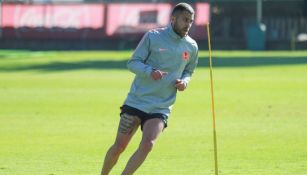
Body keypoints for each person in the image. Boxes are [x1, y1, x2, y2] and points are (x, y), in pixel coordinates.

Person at [100, 2, 198, 175]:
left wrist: (185, 82)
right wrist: (149, 71)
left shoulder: (192, 46)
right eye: (185, 20)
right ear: (173, 19)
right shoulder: (153, 36)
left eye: (190, 21)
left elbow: (189, 70)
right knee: (119, 147)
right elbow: (132, 63)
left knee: (148, 145)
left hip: (161, 106)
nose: (188, 25)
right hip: (137, 101)